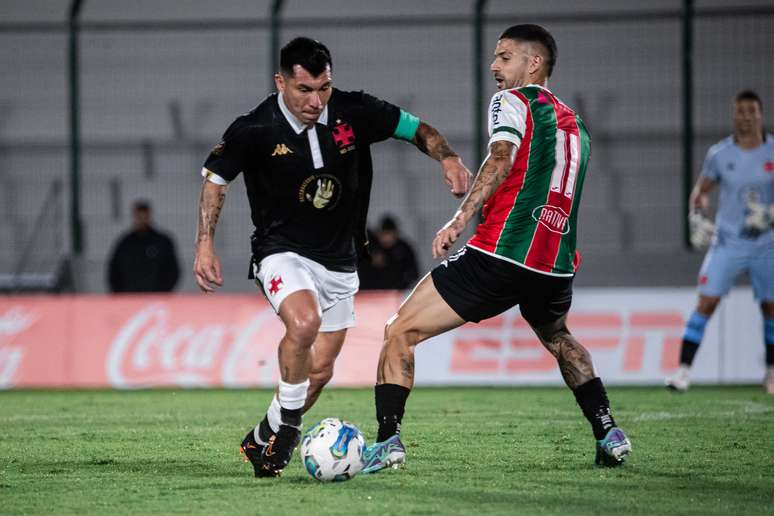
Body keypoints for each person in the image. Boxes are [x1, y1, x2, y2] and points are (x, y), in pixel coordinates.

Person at [193, 37, 472, 478]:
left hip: (341, 260)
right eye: (304, 90)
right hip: (280, 251)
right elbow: (215, 180)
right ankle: (287, 430)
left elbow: (417, 129)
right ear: (281, 82)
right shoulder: (254, 128)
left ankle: (261, 437)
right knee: (303, 324)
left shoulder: (353, 110)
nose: (315, 100)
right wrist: (204, 242)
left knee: (319, 371)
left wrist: (449, 157)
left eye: (323, 88)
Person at [361, 24, 632, 474]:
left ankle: (388, 441)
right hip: (555, 264)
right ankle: (608, 431)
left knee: (399, 331)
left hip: (501, 254)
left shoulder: (513, 101)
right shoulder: (577, 125)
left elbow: (501, 157)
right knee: (559, 337)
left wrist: (458, 219)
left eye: (505, 57)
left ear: (534, 63)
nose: (494, 67)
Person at [667, 90, 774, 393]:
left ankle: (771, 373)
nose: (745, 116)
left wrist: (770, 214)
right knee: (706, 302)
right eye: (740, 111)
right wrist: (696, 214)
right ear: (734, 114)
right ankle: (683, 372)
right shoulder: (720, 154)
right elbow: (701, 191)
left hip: (767, 244)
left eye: (751, 111)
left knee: (771, 308)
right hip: (727, 243)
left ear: (760, 114)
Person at [107, 200, 180, 293]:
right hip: (129, 297)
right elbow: (114, 270)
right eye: (139, 217)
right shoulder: (125, 243)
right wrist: (120, 294)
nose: (142, 220)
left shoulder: (163, 242)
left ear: (149, 216)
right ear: (134, 217)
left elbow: (173, 270)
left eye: (144, 216)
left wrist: (163, 291)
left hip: (156, 296)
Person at [358, 215, 419, 290]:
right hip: (370, 293)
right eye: (383, 234)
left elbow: (413, 273)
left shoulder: (404, 249)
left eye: (388, 234)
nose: (386, 238)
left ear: (395, 234)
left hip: (396, 293)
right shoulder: (371, 246)